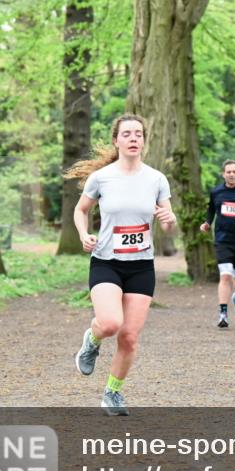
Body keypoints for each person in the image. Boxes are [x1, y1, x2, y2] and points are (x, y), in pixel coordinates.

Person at [66, 114, 176, 416]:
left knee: (129, 336)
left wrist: (169, 221)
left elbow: (168, 224)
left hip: (141, 266)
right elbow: (81, 210)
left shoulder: (156, 179)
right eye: (127, 134)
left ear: (143, 140)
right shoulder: (102, 178)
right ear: (117, 140)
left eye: (138, 134)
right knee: (111, 323)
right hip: (106, 262)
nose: (133, 139)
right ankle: (92, 338)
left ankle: (112, 392)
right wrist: (82, 233)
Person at [199, 160, 235, 327]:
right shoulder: (216, 192)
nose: (231, 174)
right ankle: (223, 313)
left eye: (234, 171)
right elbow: (211, 210)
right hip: (222, 240)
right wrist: (207, 223)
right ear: (223, 174)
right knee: (225, 275)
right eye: (228, 172)